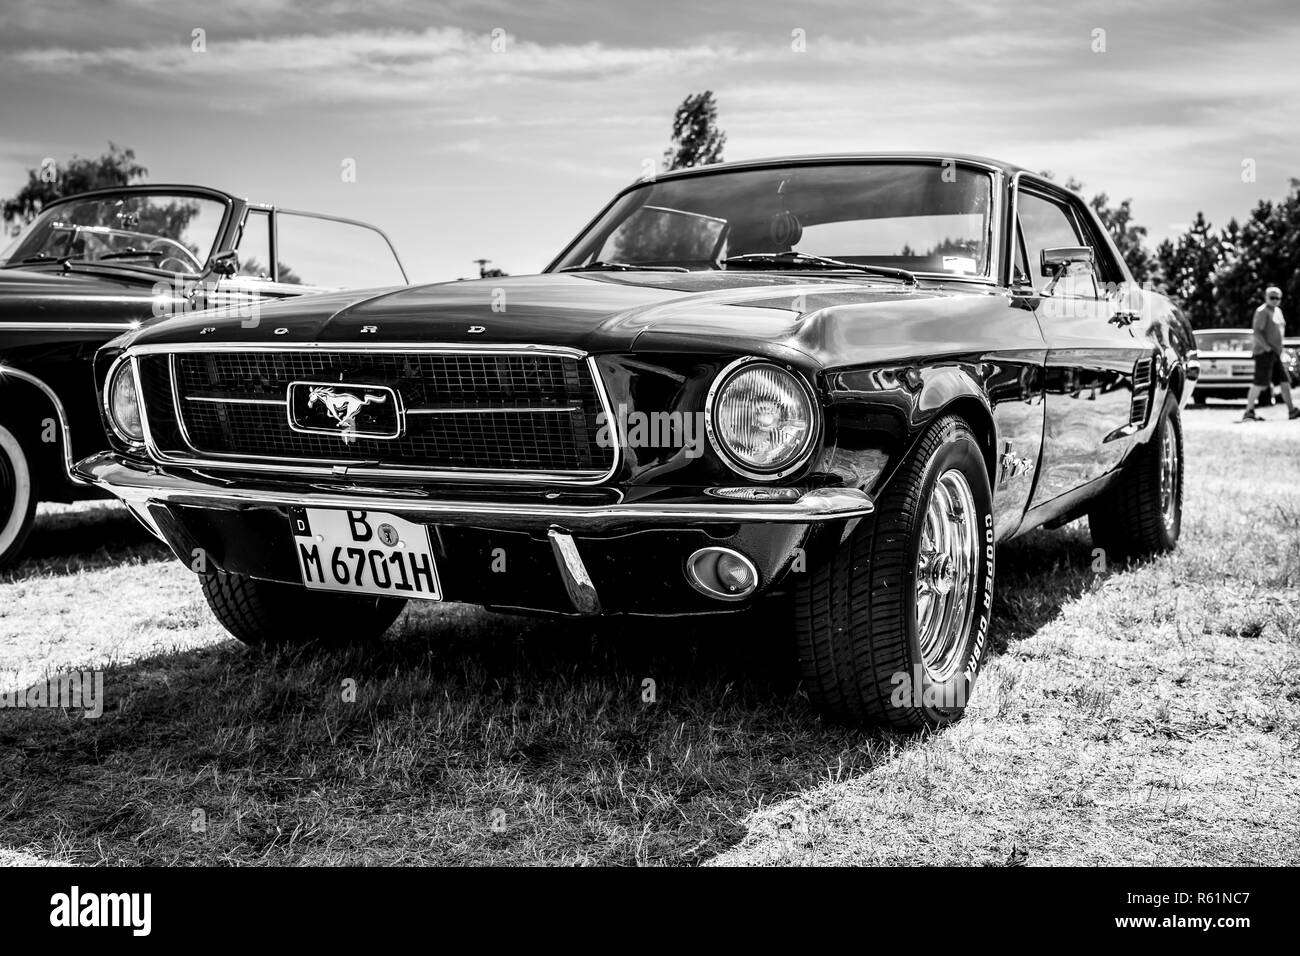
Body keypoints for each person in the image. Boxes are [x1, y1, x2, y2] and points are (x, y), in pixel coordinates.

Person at [1242, 286, 1299, 421]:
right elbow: (1257, 332)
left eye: (1277, 298)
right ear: (1266, 298)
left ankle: (1292, 410)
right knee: (1260, 383)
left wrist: (1279, 350)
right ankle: (1248, 411)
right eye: (1272, 297)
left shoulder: (1278, 311)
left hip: (1276, 354)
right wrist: (1267, 347)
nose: (1274, 300)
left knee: (1285, 382)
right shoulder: (1262, 312)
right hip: (1264, 353)